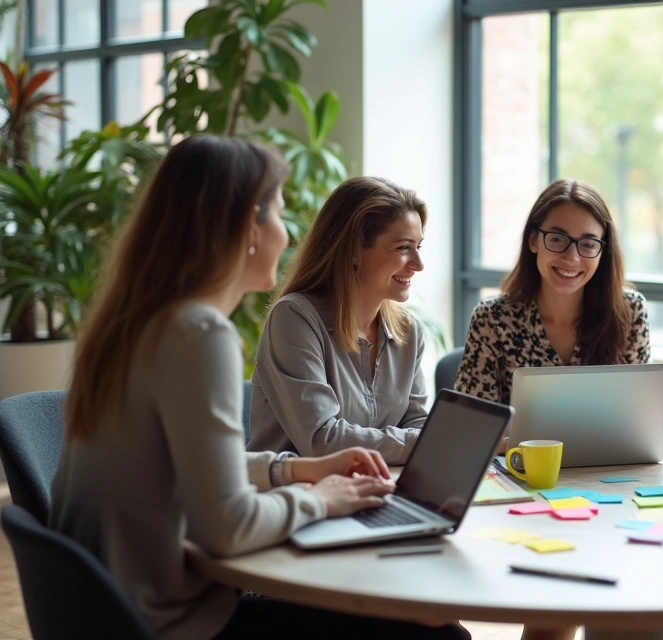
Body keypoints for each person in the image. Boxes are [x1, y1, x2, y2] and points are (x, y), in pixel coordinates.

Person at [50, 136, 468, 640]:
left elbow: (190, 465)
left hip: (106, 609)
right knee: (439, 634)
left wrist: (297, 469)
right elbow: (226, 526)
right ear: (248, 226)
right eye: (278, 214)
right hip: (170, 622)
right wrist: (323, 498)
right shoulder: (199, 335)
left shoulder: (141, 323)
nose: (287, 234)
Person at [248, 176, 432, 465]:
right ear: (354, 251)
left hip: (377, 492)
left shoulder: (409, 332)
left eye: (418, 247)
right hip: (296, 499)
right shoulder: (294, 318)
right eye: (402, 248)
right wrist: (430, 442)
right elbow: (322, 440)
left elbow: (418, 425)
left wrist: (430, 441)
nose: (418, 264)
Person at [455, 178, 650, 406]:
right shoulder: (492, 319)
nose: (572, 257)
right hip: (517, 444)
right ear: (533, 240)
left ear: (602, 252)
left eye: (588, 244)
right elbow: (474, 426)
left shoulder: (630, 312)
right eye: (557, 239)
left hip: (608, 444)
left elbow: (640, 414)